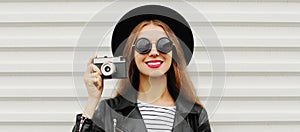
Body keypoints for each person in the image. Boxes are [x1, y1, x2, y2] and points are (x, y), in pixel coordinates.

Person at [73, 5, 211, 132]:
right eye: (143, 45)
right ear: (132, 54)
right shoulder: (109, 112)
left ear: (173, 53)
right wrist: (92, 99)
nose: (154, 52)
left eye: (164, 44)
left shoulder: (195, 116)